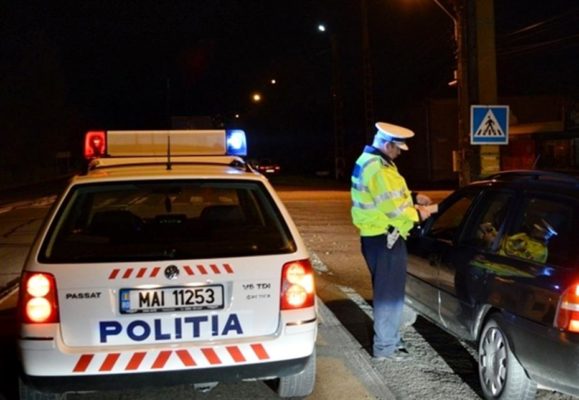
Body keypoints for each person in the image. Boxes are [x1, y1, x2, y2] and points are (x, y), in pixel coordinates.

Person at [351, 122, 433, 361]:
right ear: (387, 145)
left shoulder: (372, 161)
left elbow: (387, 194)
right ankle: (386, 347)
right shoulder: (378, 168)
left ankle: (389, 340)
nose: (399, 153)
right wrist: (420, 214)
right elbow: (393, 209)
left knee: (387, 291)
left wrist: (414, 196)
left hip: (377, 237)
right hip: (384, 237)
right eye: (398, 148)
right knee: (389, 295)